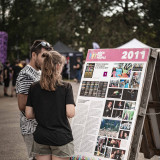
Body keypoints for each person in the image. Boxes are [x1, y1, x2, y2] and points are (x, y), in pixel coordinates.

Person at [25, 51, 75, 160]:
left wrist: (43, 113)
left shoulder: (34, 87)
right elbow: (70, 113)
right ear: (58, 66)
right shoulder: (66, 87)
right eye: (62, 65)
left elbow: (28, 114)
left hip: (41, 136)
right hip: (60, 138)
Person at [16, 40, 53, 160]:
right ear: (33, 55)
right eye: (43, 56)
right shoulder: (26, 74)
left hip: (41, 127)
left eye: (48, 56)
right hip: (31, 129)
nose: (46, 59)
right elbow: (22, 105)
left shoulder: (39, 72)